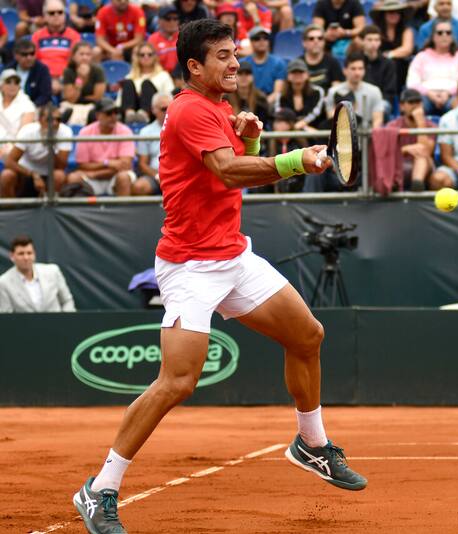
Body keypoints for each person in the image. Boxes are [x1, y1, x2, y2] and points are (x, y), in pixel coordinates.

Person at [72, 20, 365, 534]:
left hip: (233, 256)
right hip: (190, 267)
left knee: (307, 336)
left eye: (237, 54)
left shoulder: (220, 110)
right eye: (224, 56)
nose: (235, 64)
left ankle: (312, 445)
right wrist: (296, 159)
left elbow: (231, 173)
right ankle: (100, 489)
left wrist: (248, 138)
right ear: (194, 66)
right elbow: (229, 171)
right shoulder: (189, 110)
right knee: (177, 381)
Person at [66, 97, 135, 196]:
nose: (113, 116)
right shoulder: (85, 132)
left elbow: (124, 165)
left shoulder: (125, 131)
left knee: (123, 177)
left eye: (115, 112)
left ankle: (124, 211)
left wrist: (95, 173)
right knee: (73, 178)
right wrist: (108, 163)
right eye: (109, 113)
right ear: (98, 115)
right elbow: (82, 164)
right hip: (92, 178)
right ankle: (81, 212)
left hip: (114, 176)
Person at [0, 105, 72, 198]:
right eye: (49, 119)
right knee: (7, 175)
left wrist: (51, 147)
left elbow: (61, 166)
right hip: (25, 173)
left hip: (49, 173)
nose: (54, 123)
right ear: (40, 120)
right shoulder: (28, 131)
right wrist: (33, 174)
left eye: (58, 119)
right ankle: (11, 209)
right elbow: (9, 162)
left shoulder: (65, 131)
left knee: (59, 176)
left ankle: (50, 207)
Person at [406, 19, 458, 116]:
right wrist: (429, 94)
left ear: (452, 37)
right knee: (415, 108)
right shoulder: (421, 56)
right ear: (433, 36)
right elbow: (412, 83)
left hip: (453, 95)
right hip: (425, 96)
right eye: (440, 33)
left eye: (448, 32)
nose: (444, 35)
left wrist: (448, 93)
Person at [0, 235, 75, 313]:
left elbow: (67, 301)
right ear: (12, 256)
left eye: (29, 253)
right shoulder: (3, 282)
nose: (26, 257)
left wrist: (66, 322)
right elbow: (6, 315)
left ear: (34, 254)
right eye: (21, 254)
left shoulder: (53, 271)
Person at [385, 88, 436, 190]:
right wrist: (405, 149)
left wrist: (420, 123)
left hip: (424, 167)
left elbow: (427, 151)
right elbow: (386, 153)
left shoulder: (431, 126)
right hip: (399, 164)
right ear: (402, 106)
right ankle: (393, 186)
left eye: (418, 102)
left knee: (422, 155)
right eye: (411, 102)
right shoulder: (392, 126)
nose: (415, 105)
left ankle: (417, 186)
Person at [118, 42, 175, 124]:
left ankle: (144, 114)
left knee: (146, 84)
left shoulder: (163, 75)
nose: (146, 57)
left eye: (149, 54)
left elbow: (169, 97)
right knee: (128, 82)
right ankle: (129, 114)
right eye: (142, 55)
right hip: (130, 112)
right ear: (137, 57)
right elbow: (120, 101)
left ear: (155, 57)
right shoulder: (129, 76)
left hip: (154, 113)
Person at [31, 0, 81, 93]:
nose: (56, 15)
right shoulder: (37, 36)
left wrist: (62, 79)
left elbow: (75, 63)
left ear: (65, 15)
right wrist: (48, 79)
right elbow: (34, 62)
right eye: (51, 13)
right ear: (45, 16)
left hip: (66, 79)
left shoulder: (75, 36)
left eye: (60, 12)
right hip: (43, 78)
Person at [325, 52, 384, 128]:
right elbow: (331, 119)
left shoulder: (375, 91)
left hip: (368, 136)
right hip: (342, 135)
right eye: (353, 68)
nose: (357, 73)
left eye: (360, 68)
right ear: (344, 71)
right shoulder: (333, 92)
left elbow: (378, 120)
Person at [133, 93, 172, 195]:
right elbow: (142, 164)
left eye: (171, 107)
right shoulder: (146, 132)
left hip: (180, 174)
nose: (168, 111)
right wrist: (157, 176)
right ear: (153, 110)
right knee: (139, 187)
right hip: (156, 175)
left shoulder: (185, 127)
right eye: (164, 109)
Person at [60, 41, 108, 126]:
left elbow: (98, 97)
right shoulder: (68, 71)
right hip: (72, 105)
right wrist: (80, 78)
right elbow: (71, 99)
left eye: (88, 54)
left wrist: (80, 98)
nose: (85, 57)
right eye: (81, 54)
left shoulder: (98, 70)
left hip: (91, 105)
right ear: (74, 56)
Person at [276, 59, 327, 131]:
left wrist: (302, 125)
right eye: (294, 72)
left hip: (314, 130)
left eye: (301, 72)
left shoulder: (317, 92)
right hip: (289, 132)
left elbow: (316, 113)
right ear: (288, 76)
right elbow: (280, 114)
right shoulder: (282, 95)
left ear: (307, 75)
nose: (297, 75)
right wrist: (297, 128)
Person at [240, 26, 286, 105]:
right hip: (246, 100)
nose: (262, 41)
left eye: (265, 38)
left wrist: (262, 106)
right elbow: (239, 89)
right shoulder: (242, 63)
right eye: (257, 38)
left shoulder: (278, 63)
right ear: (251, 41)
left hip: (269, 102)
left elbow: (277, 92)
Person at [359, 25, 398, 112]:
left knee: (381, 108)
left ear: (380, 42)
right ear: (362, 41)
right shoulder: (356, 61)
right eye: (369, 40)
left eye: (376, 40)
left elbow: (389, 92)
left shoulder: (388, 63)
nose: (373, 43)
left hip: (381, 102)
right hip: (359, 101)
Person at [0, 70, 36, 160]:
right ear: (1, 85)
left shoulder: (27, 104)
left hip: (14, 145)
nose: (12, 86)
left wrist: (8, 147)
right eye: (8, 82)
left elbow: (23, 133)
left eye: (16, 83)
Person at [7, 39, 53, 108]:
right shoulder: (8, 69)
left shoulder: (42, 69)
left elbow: (45, 95)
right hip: (10, 106)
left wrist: (30, 107)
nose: (29, 57)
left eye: (32, 53)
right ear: (16, 55)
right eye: (24, 54)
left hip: (34, 107)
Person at [300, 25, 345, 93]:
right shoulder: (298, 64)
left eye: (320, 38)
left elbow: (336, 91)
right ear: (304, 43)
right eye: (311, 38)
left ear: (324, 42)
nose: (316, 41)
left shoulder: (333, 63)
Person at [148, 4, 181, 75]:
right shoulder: (152, 39)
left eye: (175, 18)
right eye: (168, 19)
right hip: (160, 76)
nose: (172, 22)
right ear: (159, 21)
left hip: (181, 77)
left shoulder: (184, 36)